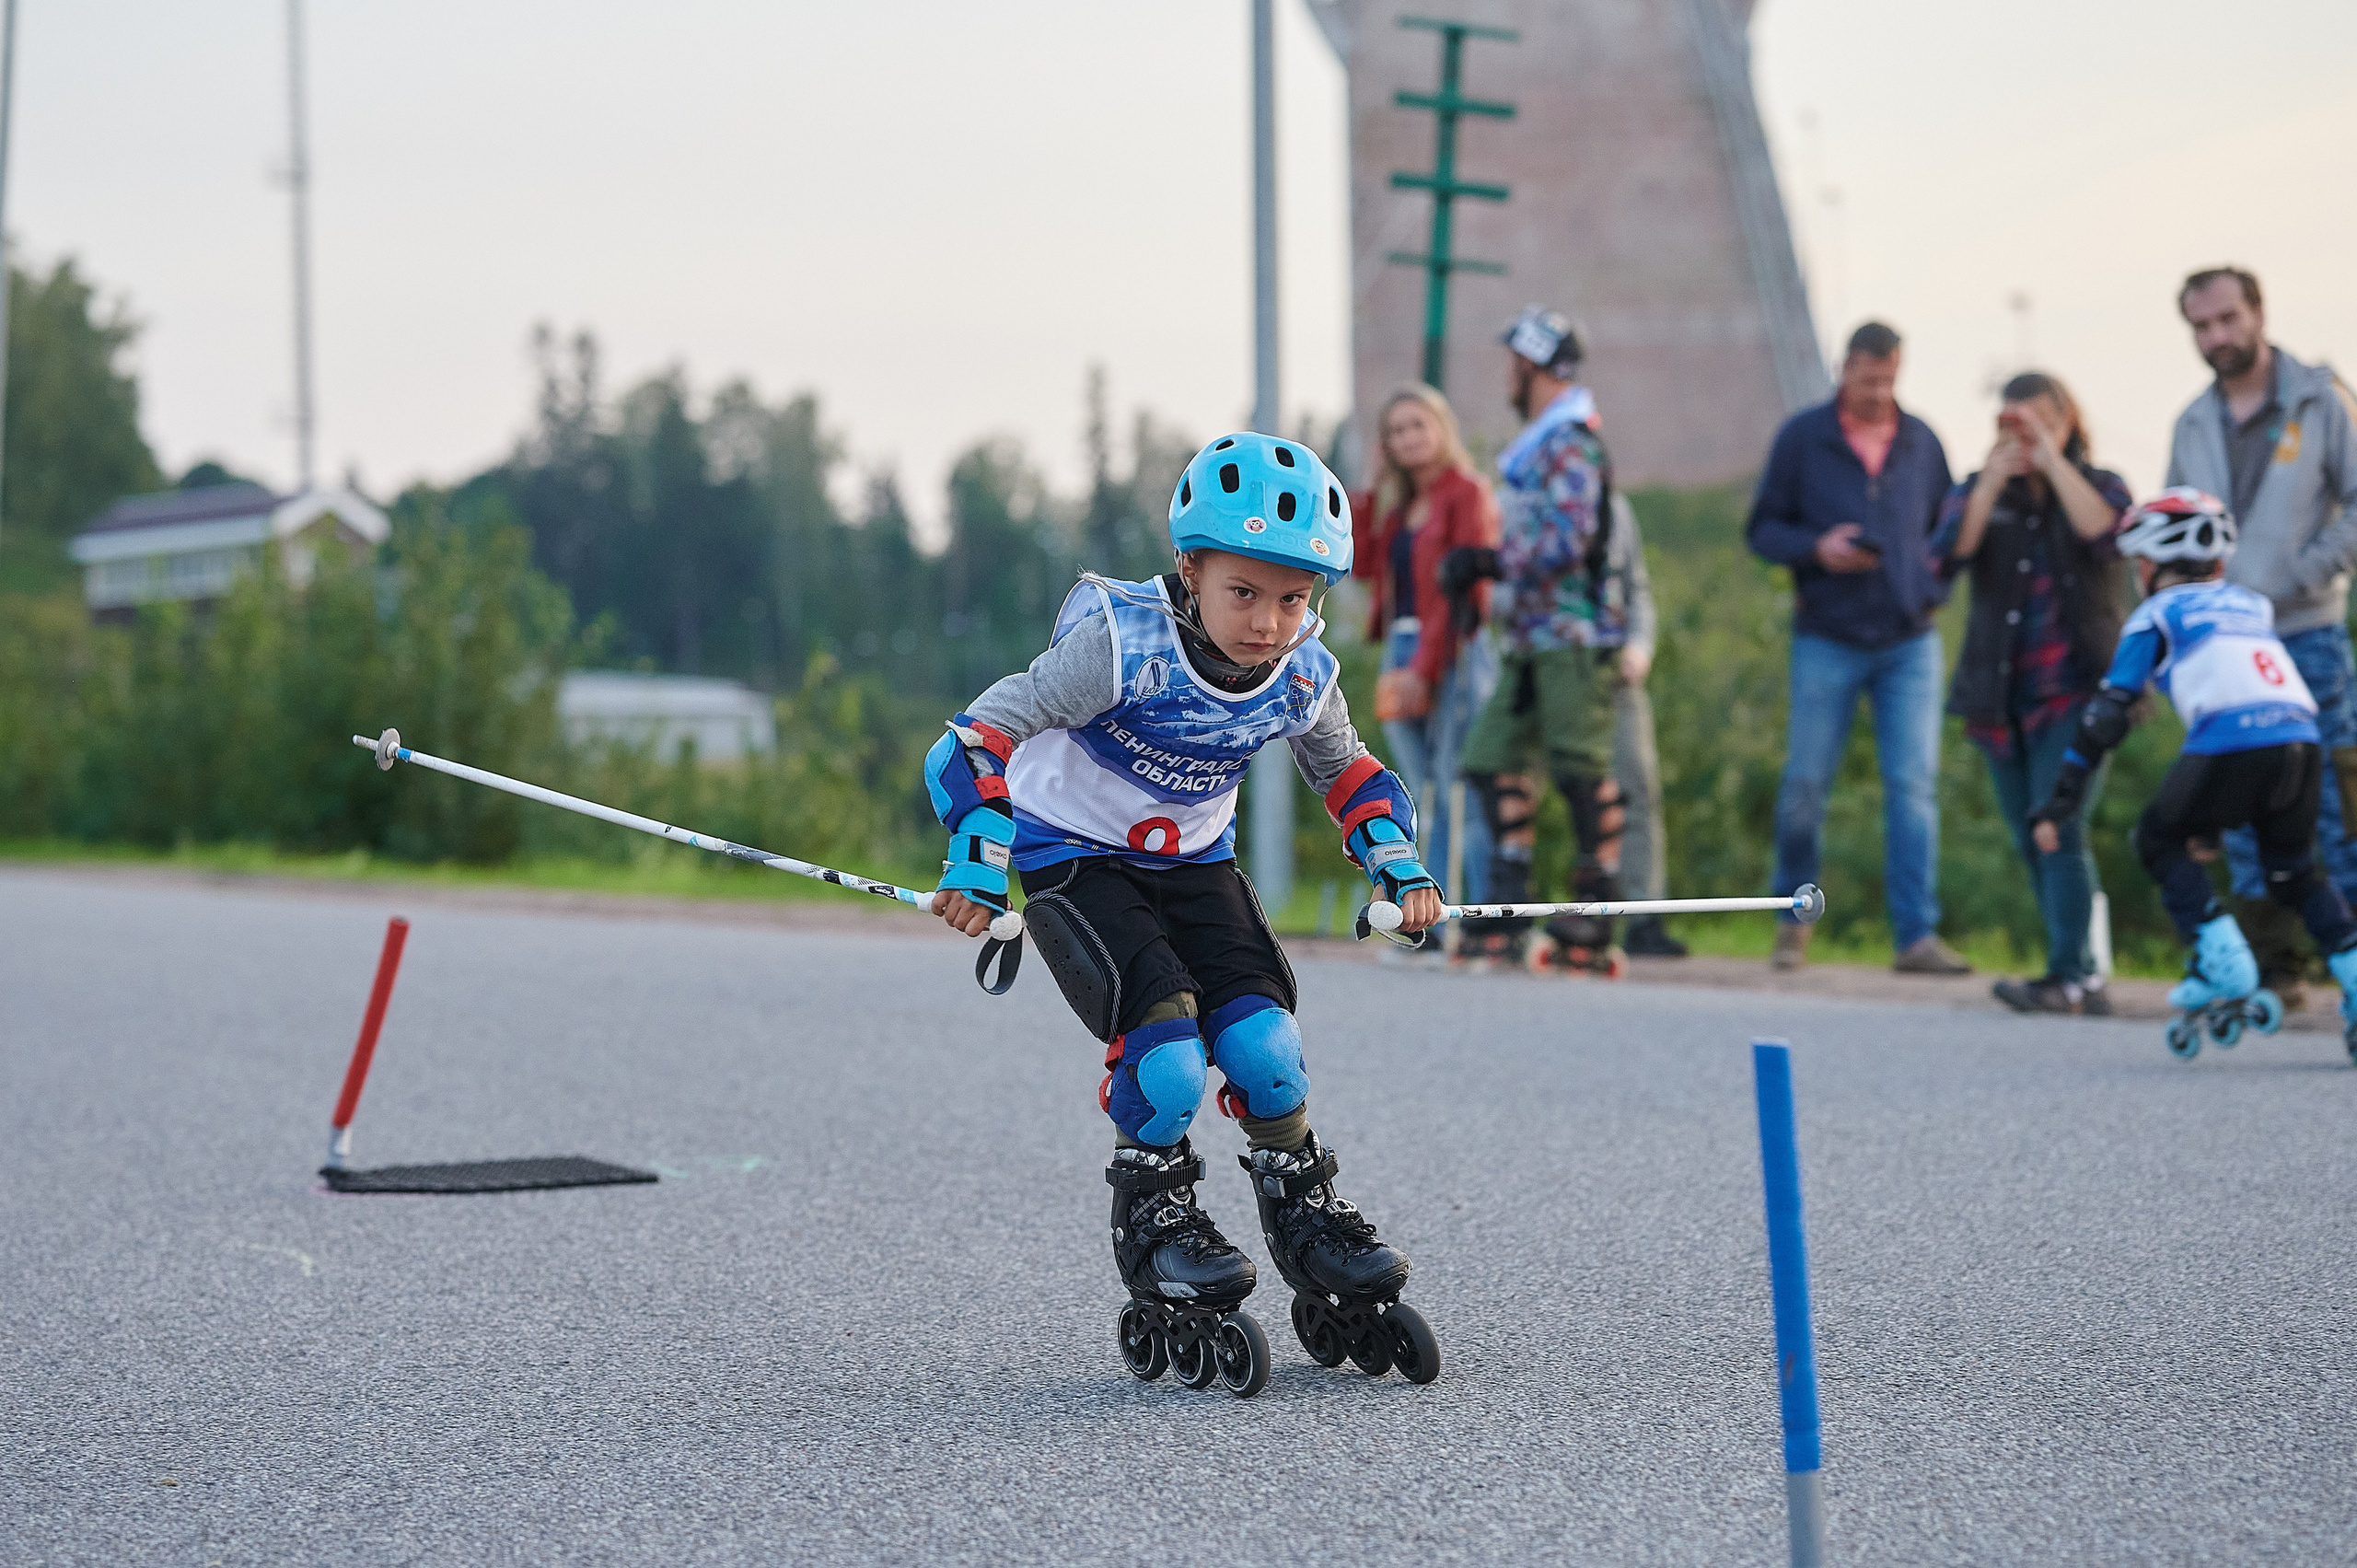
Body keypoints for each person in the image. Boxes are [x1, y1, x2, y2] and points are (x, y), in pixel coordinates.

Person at [925, 432, 1445, 1395]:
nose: (1267, 620)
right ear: (1191, 570)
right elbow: (974, 737)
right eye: (1243, 591)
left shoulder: (1300, 671)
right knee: (1165, 1060)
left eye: (1292, 598)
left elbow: (1348, 770)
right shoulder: (1122, 646)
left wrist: (1394, 858)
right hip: (1073, 856)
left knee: (1267, 1050)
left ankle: (1306, 1215)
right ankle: (1158, 1225)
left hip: (1194, 862)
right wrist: (977, 852)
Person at [2028, 489, 2357, 1051]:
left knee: (2157, 841)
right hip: (2301, 741)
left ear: (2149, 565)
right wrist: (2209, 818)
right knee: (2294, 874)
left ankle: (2223, 965)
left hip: (2230, 739)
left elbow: (2109, 712)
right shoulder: (2252, 605)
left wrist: (2062, 799)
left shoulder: (2156, 613)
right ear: (2220, 564)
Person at [1747, 320, 1967, 974]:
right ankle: (1792, 922)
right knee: (1805, 787)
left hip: (1909, 639)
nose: (1878, 391)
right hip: (1827, 635)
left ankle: (1916, 936)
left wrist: (1930, 588)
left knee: (1913, 789)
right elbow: (1762, 528)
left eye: (1889, 378)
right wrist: (1817, 549)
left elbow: (1948, 530)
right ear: (1845, 368)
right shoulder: (1802, 438)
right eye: (1867, 378)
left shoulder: (1922, 440)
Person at [2166, 267, 2357, 1006]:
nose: (2216, 337)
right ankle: (2276, 968)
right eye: (2201, 327)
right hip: (2229, 641)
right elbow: (2176, 525)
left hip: (2307, 630)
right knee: (2239, 799)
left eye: (2226, 319)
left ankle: (2348, 964)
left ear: (2257, 313)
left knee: (2336, 799)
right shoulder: (2192, 421)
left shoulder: (2318, 395)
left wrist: (2311, 569)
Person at [1439, 307, 1637, 971]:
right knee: (1490, 758)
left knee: (1581, 768)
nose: (1508, 378)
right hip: (1529, 633)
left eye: (1513, 365)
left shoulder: (1571, 440)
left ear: (1533, 365)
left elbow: (1570, 536)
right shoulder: (1540, 443)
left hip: (1575, 634)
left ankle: (1593, 910)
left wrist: (1492, 561)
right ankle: (1511, 899)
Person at [1936, 372, 2132, 1014]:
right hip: (2001, 693)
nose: (2022, 435)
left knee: (2060, 825)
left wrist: (2051, 460)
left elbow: (2109, 534)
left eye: (2037, 421)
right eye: (2011, 423)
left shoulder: (2099, 485)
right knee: (2031, 834)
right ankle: (2084, 974)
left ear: (2066, 420)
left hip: (2077, 689)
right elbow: (1945, 556)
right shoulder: (1981, 491)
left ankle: (2069, 974)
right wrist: (1994, 477)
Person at [1350, 383, 1501, 906]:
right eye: (1394, 431)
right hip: (1401, 646)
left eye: (1416, 425)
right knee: (1417, 791)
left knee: (1457, 787)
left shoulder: (1467, 492)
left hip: (1453, 649)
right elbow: (1363, 567)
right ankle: (1426, 910)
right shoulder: (1402, 509)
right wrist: (1368, 491)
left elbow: (1464, 594)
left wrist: (1426, 667)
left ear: (1442, 428)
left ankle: (1472, 916)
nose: (1406, 437)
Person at [1603, 494, 1686, 956]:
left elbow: (1638, 588)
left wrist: (1640, 645)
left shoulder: (1613, 508)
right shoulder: (1513, 500)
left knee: (1635, 787)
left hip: (1615, 665)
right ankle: (1516, 917)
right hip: (1542, 660)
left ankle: (1644, 917)